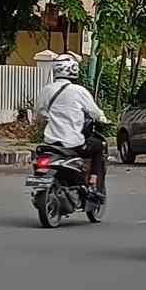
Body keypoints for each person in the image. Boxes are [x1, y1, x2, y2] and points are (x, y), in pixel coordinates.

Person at [37, 56, 107, 206]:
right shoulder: (78, 91)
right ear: (74, 71)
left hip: (51, 142)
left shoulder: (47, 89)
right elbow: (95, 112)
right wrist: (103, 118)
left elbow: (40, 111)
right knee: (98, 146)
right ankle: (94, 184)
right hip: (73, 143)